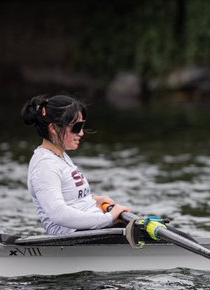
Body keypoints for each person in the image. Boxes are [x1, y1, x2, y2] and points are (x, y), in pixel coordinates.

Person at [21, 94, 130, 235]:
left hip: (91, 229)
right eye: (77, 127)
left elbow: (71, 200)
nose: (81, 133)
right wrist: (108, 218)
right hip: (71, 236)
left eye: (82, 126)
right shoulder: (45, 166)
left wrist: (95, 201)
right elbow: (58, 213)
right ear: (53, 128)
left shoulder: (59, 156)